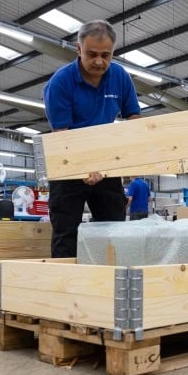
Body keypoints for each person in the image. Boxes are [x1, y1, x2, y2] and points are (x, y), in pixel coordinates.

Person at [43, 19, 141, 258]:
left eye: (106, 55)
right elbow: (62, 135)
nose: (99, 62)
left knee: (114, 230)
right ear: (79, 49)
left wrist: (133, 159)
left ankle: (108, 287)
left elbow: (135, 120)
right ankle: (65, 289)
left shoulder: (119, 76)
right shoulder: (60, 82)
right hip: (67, 164)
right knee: (66, 233)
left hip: (107, 164)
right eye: (92, 54)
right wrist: (83, 167)